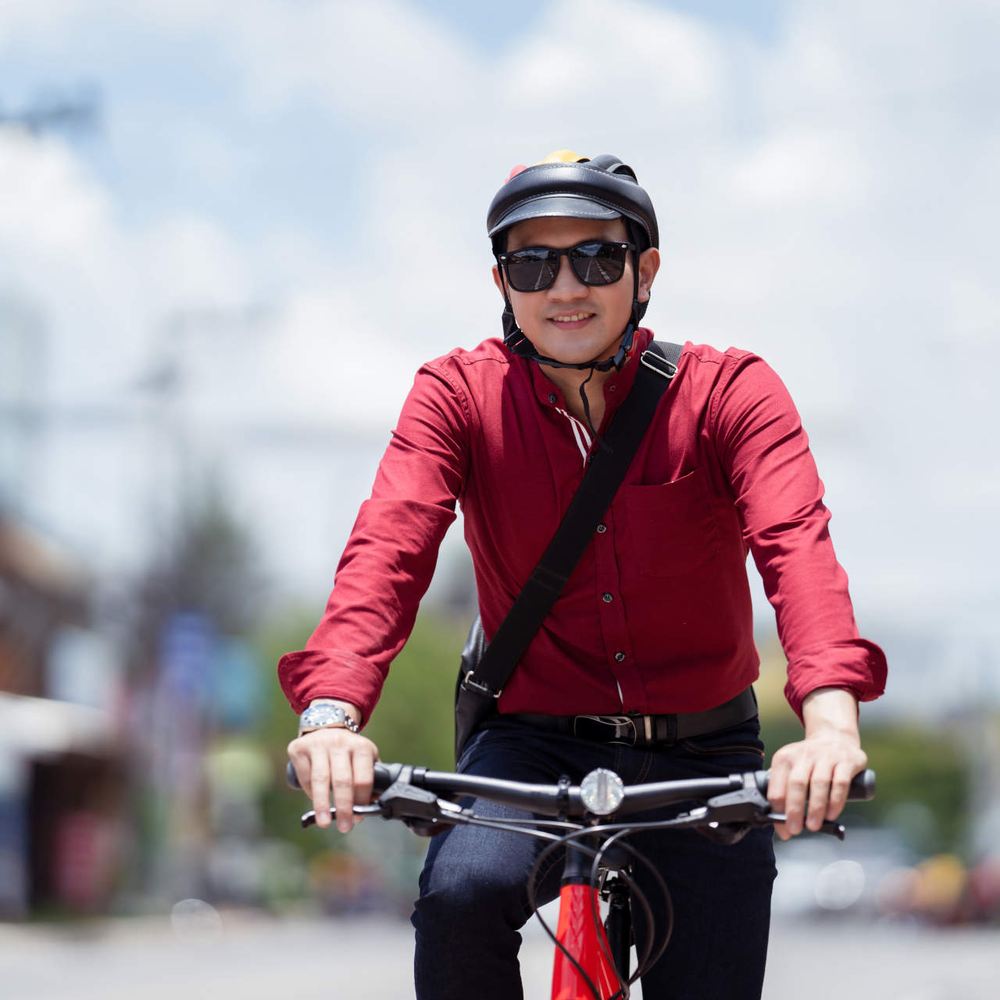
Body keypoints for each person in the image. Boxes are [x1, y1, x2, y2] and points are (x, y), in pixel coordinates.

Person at [280, 150, 887, 999]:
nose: (564, 287)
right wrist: (331, 718)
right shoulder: (456, 395)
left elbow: (799, 551)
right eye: (533, 263)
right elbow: (387, 551)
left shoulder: (730, 394)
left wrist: (829, 732)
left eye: (595, 258)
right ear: (503, 282)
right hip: (528, 745)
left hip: (706, 751)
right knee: (461, 897)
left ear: (645, 271)